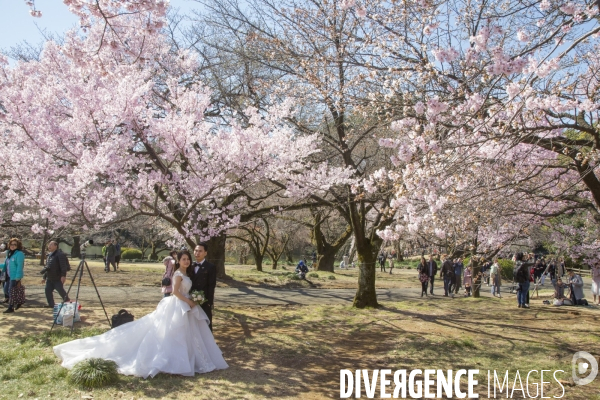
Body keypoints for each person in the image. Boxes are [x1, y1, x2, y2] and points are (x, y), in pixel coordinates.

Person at [53, 249, 228, 378]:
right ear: (178, 261)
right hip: (178, 304)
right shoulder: (177, 274)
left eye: (188, 259)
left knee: (188, 334)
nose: (187, 261)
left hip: (186, 305)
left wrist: (193, 299)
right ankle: (174, 360)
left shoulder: (186, 273)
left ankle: (191, 359)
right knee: (172, 332)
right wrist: (189, 301)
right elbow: (175, 291)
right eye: (184, 259)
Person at [191, 243, 217, 331]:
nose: (197, 253)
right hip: (190, 300)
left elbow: (211, 285)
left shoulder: (210, 267)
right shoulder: (190, 266)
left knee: (205, 324)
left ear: (205, 253)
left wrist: (209, 302)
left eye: (200, 251)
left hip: (204, 301)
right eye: (196, 251)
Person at [42, 241, 71, 308]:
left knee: (61, 291)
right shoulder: (49, 255)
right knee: (47, 291)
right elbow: (47, 267)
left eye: (51, 245)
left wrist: (63, 276)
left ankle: (68, 302)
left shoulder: (60, 255)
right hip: (50, 278)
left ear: (56, 246)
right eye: (49, 244)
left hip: (57, 278)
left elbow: (63, 266)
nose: (49, 246)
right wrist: (44, 277)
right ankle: (51, 304)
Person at [2, 238, 25, 313]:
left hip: (14, 276)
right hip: (8, 275)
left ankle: (10, 307)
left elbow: (19, 266)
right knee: (6, 290)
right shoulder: (9, 253)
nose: (12, 246)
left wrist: (18, 277)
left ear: (18, 245)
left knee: (11, 291)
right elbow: (7, 264)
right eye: (11, 244)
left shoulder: (19, 254)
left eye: (15, 244)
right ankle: (19, 301)